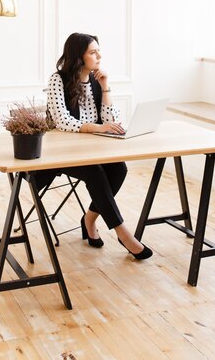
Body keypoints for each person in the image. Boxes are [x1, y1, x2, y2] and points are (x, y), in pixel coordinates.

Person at [42, 32, 152, 260]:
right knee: (95, 172)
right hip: (62, 153)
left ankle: (89, 219)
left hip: (92, 149)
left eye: (98, 51)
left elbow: (110, 120)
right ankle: (123, 233)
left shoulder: (95, 80)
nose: (99, 56)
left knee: (119, 169)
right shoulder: (58, 80)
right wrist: (99, 128)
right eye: (93, 52)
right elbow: (62, 121)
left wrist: (105, 87)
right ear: (78, 56)